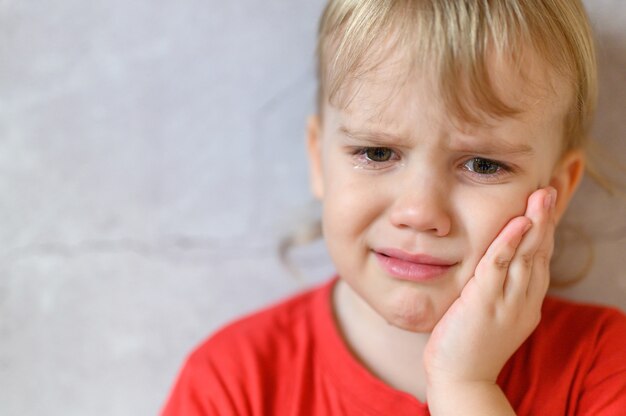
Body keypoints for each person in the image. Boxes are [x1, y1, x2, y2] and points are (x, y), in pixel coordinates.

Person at [162, 1, 626, 414]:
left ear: (557, 192)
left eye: (483, 164)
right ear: (318, 159)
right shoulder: (230, 385)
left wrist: (465, 387)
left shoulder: (603, 364)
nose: (420, 212)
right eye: (377, 153)